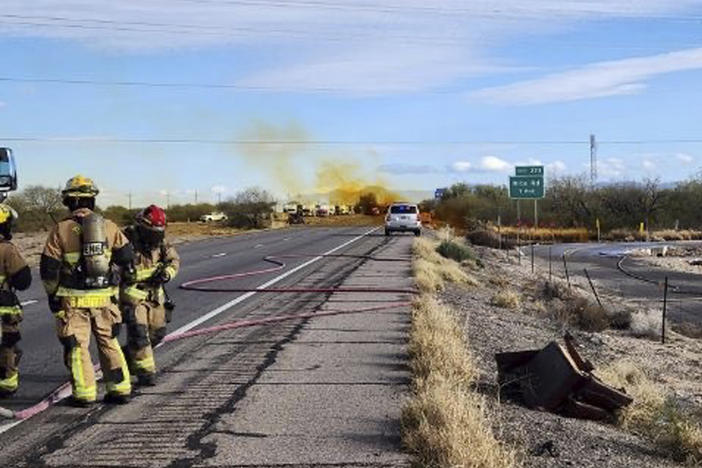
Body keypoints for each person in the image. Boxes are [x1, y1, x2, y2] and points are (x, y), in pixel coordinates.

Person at [40, 175, 135, 406]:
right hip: (105, 300)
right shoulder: (109, 226)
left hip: (72, 302)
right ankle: (120, 389)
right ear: (92, 201)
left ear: (69, 201)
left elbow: (48, 270)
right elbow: (127, 258)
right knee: (109, 342)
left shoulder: (60, 229)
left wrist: (53, 295)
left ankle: (84, 394)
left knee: (77, 348)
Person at [120, 205, 179, 386]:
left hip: (155, 296)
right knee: (139, 335)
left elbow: (174, 260)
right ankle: (146, 373)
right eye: (152, 231)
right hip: (133, 296)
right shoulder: (125, 240)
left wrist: (167, 273)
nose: (156, 235)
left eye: (159, 231)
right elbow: (112, 263)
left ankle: (126, 358)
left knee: (158, 333)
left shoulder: (161, 242)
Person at [0, 205, 31, 397]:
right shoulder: (7, 250)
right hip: (4, 308)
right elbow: (23, 281)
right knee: (8, 345)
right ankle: (6, 383)